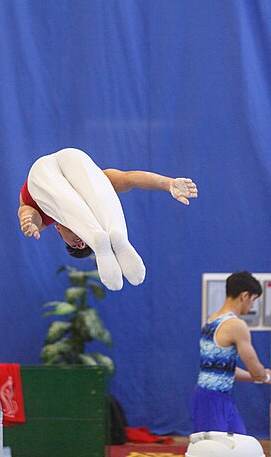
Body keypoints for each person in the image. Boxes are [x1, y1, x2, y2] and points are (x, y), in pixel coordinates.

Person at [18, 148, 198, 290]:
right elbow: (129, 179)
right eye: (85, 244)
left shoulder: (44, 219)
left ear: (58, 229)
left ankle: (103, 240)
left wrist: (28, 220)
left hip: (41, 175)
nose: (80, 242)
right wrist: (168, 184)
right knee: (101, 195)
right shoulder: (95, 182)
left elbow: (26, 211)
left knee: (68, 204)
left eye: (75, 245)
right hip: (74, 159)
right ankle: (116, 238)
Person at [190, 271, 271, 434]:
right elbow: (256, 370)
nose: (252, 306)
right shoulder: (236, 325)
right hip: (212, 401)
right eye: (253, 300)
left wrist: (260, 377)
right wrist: (265, 376)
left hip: (214, 397)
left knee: (240, 446)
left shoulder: (211, 320)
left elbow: (224, 370)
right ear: (245, 296)